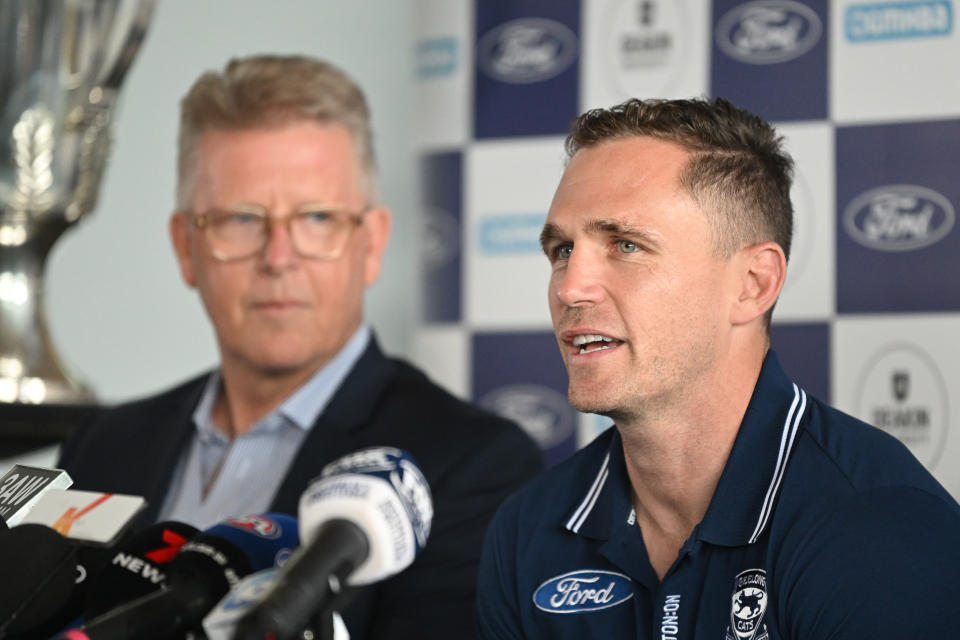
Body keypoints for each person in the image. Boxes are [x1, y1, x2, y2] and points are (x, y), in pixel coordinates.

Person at [58, 54, 542, 638]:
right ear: (186, 247)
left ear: (372, 245)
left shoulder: (472, 466)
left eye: (316, 218)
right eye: (241, 218)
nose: (279, 258)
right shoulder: (100, 449)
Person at [476, 97, 960, 638]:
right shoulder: (528, 530)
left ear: (753, 284)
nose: (570, 287)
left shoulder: (878, 528)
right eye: (563, 249)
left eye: (626, 245)